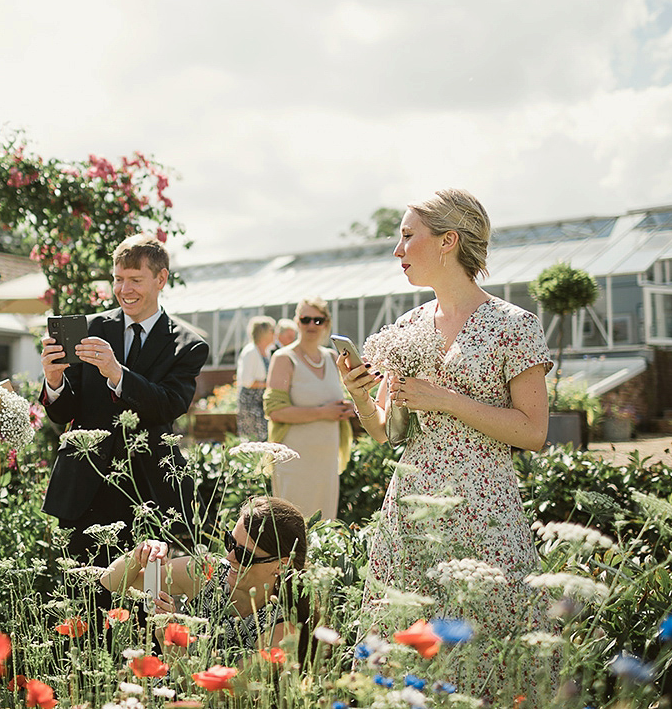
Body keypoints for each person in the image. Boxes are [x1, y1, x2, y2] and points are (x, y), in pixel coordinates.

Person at [338, 189, 552, 701]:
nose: (398, 250)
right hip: (409, 510)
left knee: (484, 649)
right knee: (403, 644)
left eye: (408, 236)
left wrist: (445, 399)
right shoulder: (408, 326)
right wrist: (361, 397)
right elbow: (390, 432)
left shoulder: (513, 325)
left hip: (484, 510)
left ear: (449, 241)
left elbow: (534, 432)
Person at [41, 233, 209, 566]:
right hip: (83, 490)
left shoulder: (189, 344)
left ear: (161, 279)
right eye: (118, 279)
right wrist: (53, 379)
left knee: (142, 602)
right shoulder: (88, 328)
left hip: (146, 492)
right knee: (82, 601)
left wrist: (117, 374)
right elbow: (63, 414)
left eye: (135, 280)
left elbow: (169, 405)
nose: (124, 289)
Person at [99, 496, 313, 662]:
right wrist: (142, 553)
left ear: (282, 564)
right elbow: (111, 582)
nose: (229, 557)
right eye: (230, 542)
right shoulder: (207, 572)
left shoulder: (282, 633)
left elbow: (222, 697)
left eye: (243, 554)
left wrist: (172, 644)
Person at [263, 297, 355, 521]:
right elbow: (274, 411)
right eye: (305, 319)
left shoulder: (333, 357)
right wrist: (323, 412)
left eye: (318, 320)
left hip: (326, 460)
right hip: (294, 462)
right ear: (297, 322)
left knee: (324, 527)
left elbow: (335, 399)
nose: (311, 325)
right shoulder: (284, 358)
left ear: (327, 323)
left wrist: (347, 408)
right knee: (293, 528)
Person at [235, 315, 276, 441]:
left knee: (265, 438)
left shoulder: (267, 352)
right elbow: (247, 381)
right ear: (263, 332)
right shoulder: (250, 351)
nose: (275, 334)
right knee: (255, 439)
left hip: (261, 402)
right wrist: (269, 383)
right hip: (250, 402)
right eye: (272, 331)